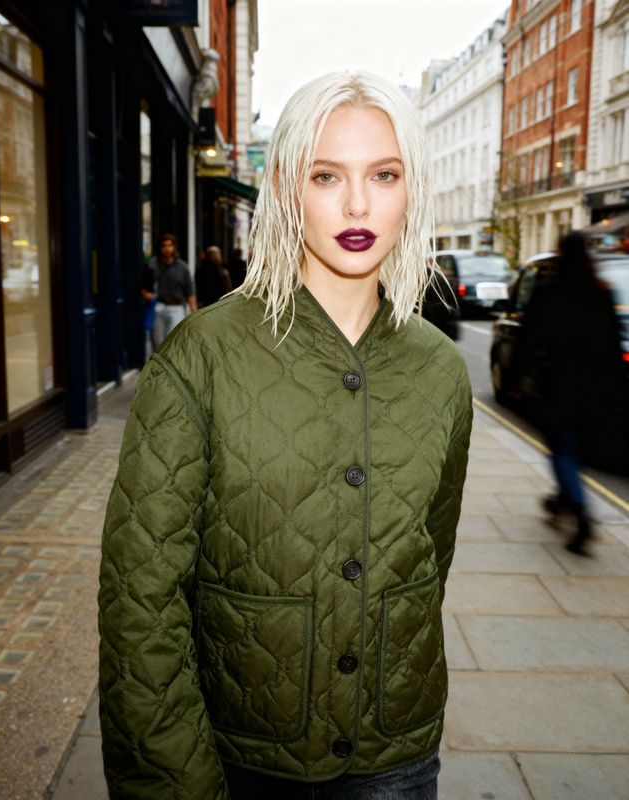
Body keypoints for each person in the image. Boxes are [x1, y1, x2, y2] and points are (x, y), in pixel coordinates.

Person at [99, 71, 473, 800]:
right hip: (242, 756)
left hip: (396, 755)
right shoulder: (203, 357)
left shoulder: (441, 370)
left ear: (412, 188)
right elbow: (140, 605)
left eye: (384, 174)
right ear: (283, 186)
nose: (358, 204)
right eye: (326, 175)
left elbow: (432, 553)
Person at [517, 231, 626, 554]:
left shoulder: (549, 292)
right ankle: (562, 500)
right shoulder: (601, 292)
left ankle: (579, 510)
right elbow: (611, 346)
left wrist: (521, 375)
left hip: (557, 384)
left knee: (563, 449)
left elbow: (529, 337)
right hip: (594, 388)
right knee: (576, 449)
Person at [141, 233, 196, 347]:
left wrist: (193, 311)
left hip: (176, 308)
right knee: (158, 343)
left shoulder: (182, 267)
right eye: (164, 246)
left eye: (169, 245)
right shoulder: (152, 264)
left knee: (173, 341)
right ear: (160, 248)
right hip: (157, 306)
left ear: (174, 247)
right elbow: (143, 284)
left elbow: (189, 290)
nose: (167, 249)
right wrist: (145, 294)